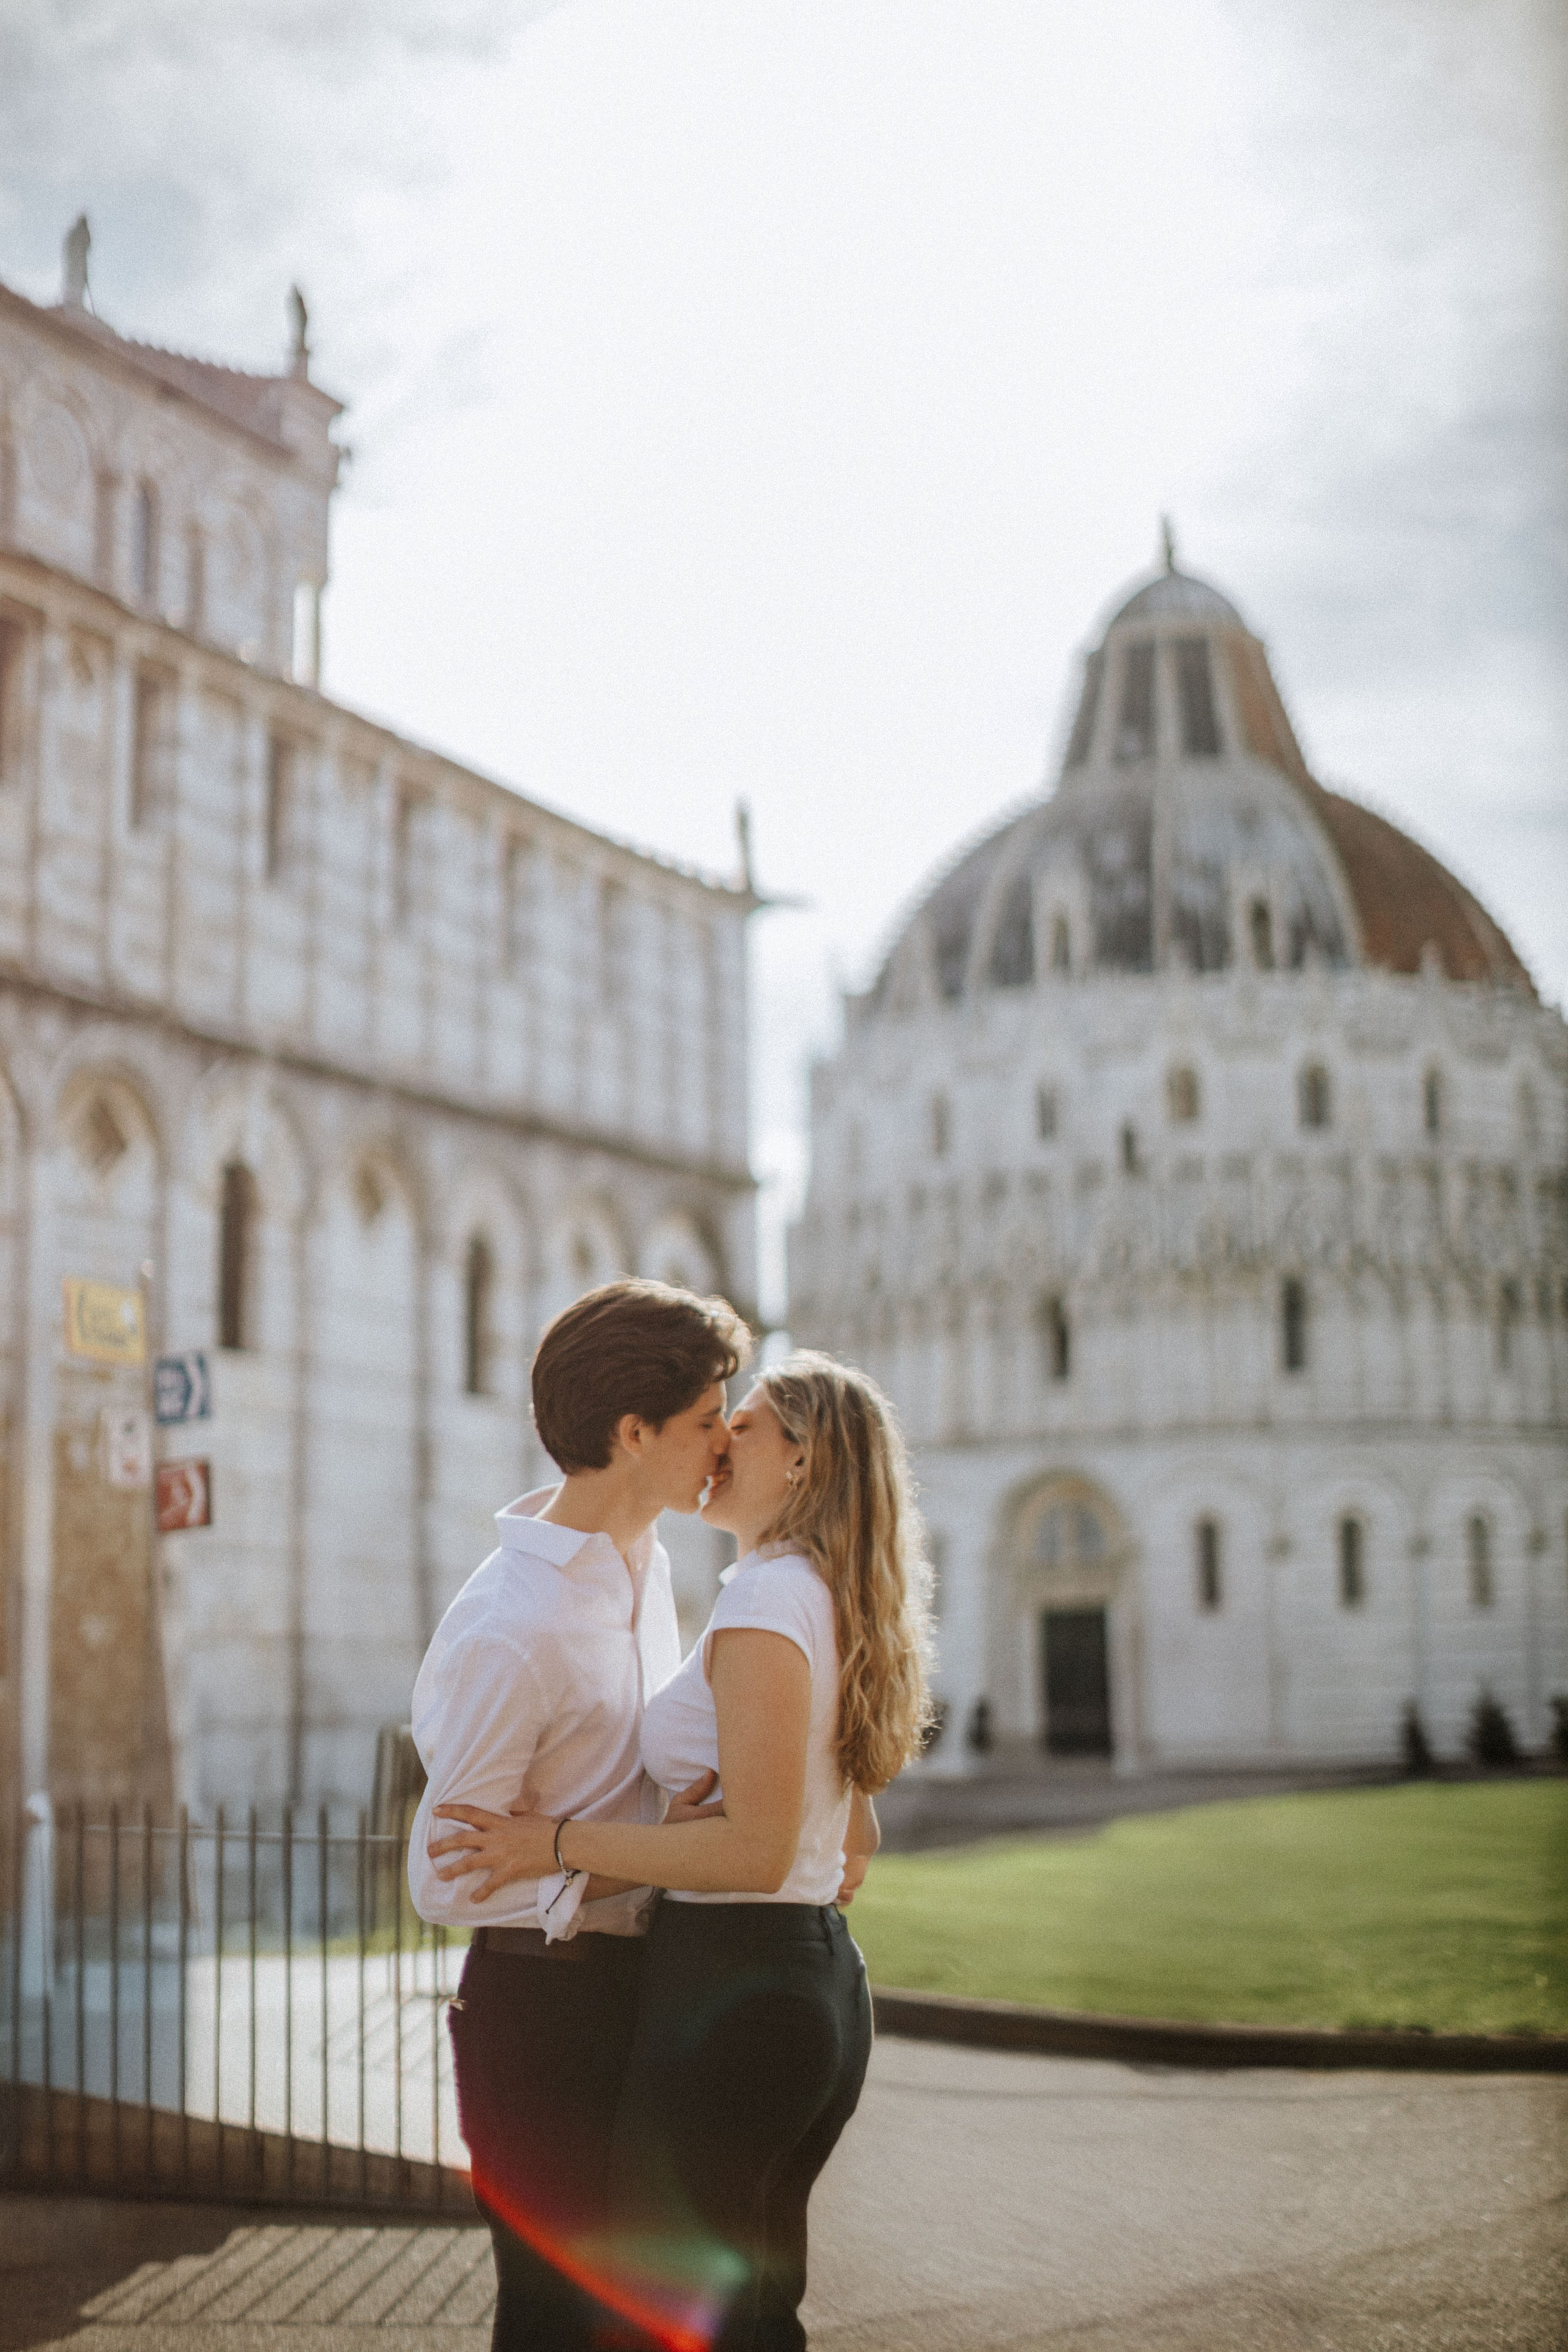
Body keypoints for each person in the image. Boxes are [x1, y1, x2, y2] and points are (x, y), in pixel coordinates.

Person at [430, 1350, 934, 2351]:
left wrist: (554, 1842)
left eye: (744, 1422)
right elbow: (847, 1829)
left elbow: (754, 1854)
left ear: (801, 1461)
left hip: (739, 1988)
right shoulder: (821, 1594)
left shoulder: (765, 1604)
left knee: (665, 2319)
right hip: (808, 1979)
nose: (721, 1439)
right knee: (748, 2313)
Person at [407, 1277, 749, 2352]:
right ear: (634, 1433)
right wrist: (643, 1858)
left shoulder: (645, 1564)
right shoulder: (517, 1626)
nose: (729, 1443)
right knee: (554, 2322)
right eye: (709, 1420)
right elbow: (441, 1874)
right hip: (543, 2017)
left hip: (639, 1992)